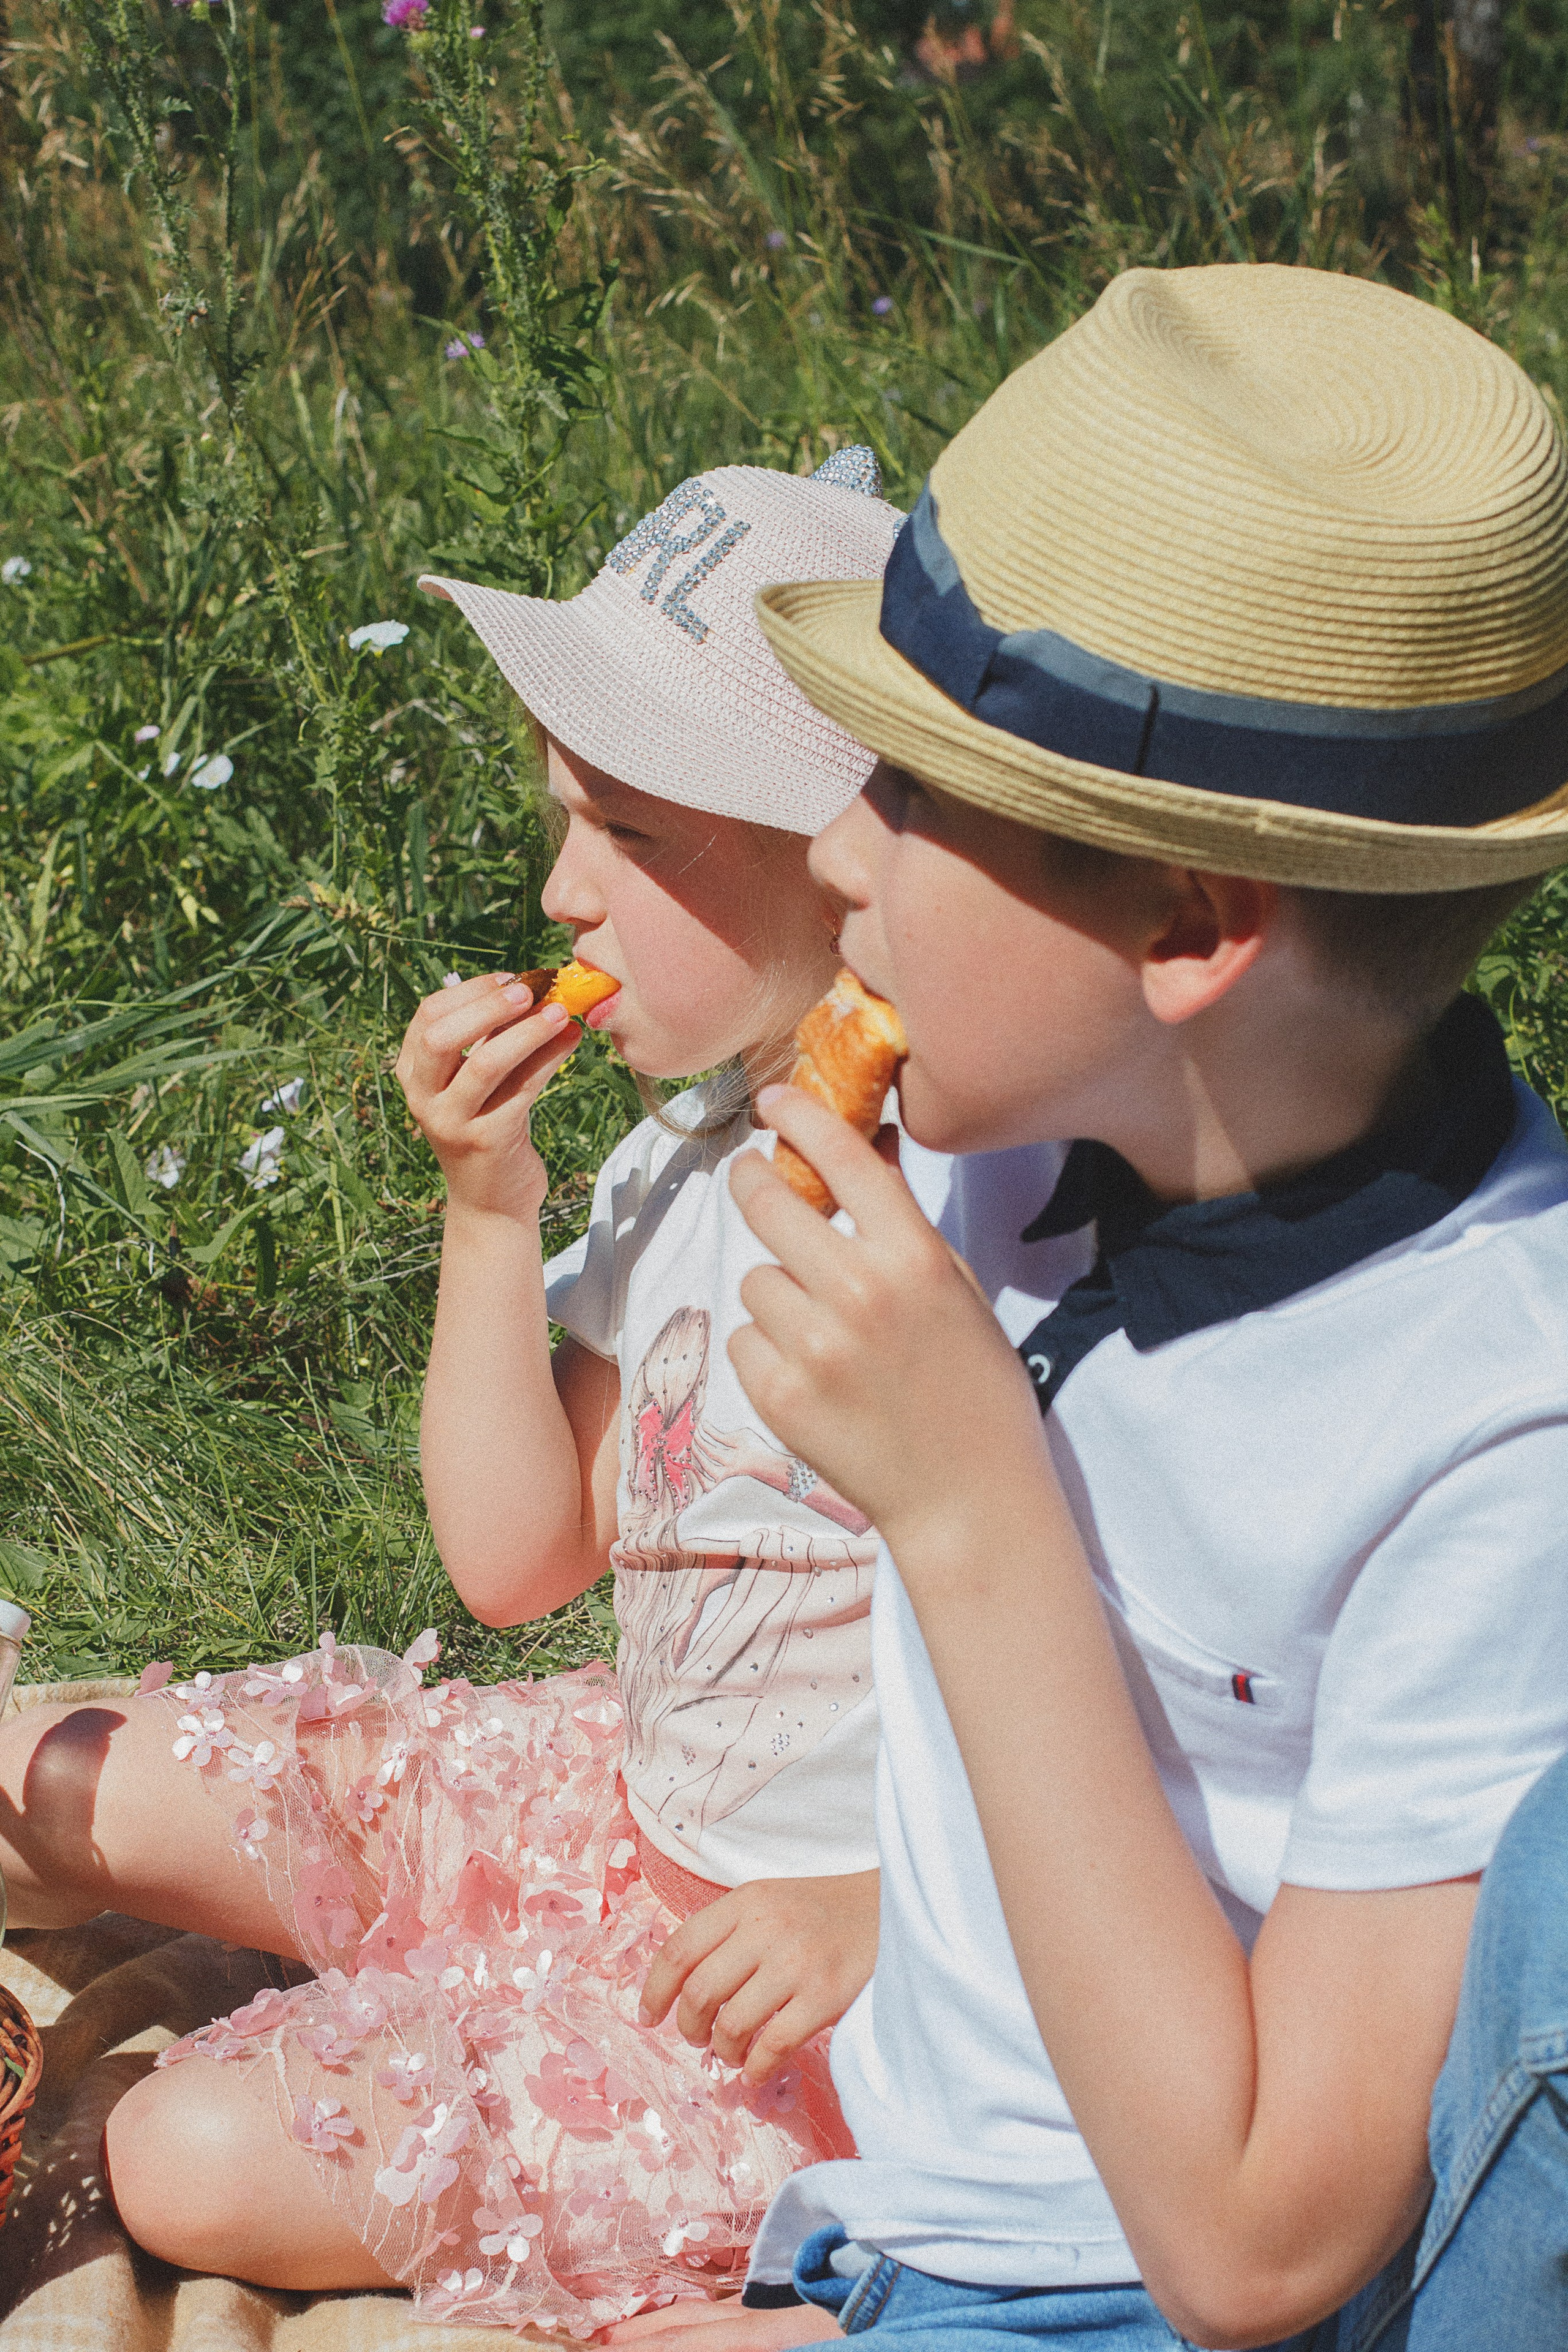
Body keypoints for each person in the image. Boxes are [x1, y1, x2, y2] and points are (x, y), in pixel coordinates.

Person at [603, 265, 1568, 2352]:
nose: (835, 851)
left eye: (915, 795)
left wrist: (973, 1512)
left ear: (1194, 925)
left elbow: (1258, 2249)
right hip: (895, 2156)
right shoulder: (1026, 1099)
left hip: (1108, 2279)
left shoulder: (1499, 1421)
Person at [0, 450, 906, 2334]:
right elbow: (515, 1564)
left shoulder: (979, 1210)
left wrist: (878, 1910)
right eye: (563, 816)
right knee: (55, 1783)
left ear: (854, 860)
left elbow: (1144, 1696)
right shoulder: (683, 1155)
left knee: (179, 2158)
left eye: (635, 838)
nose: (563, 888)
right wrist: (487, 1209)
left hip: (820, 1997)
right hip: (607, 1799)